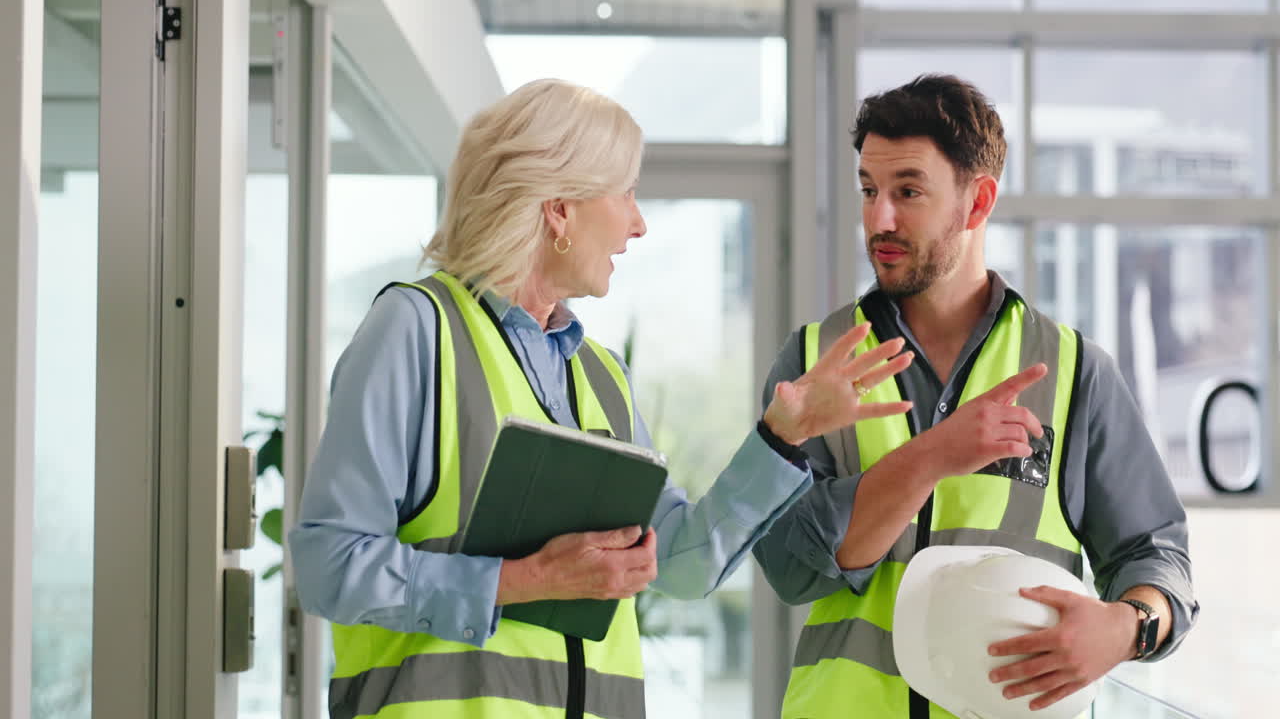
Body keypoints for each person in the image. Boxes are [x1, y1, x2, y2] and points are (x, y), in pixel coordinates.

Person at [288, 78, 915, 719]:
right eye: (627, 193)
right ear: (559, 208)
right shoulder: (416, 331)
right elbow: (326, 564)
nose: (639, 224)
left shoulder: (603, 378)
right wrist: (524, 581)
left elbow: (678, 564)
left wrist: (782, 436)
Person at [752, 74, 1198, 718]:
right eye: (869, 191)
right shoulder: (813, 361)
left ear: (978, 201)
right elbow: (790, 566)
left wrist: (1129, 626)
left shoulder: (1075, 373)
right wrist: (933, 455)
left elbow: (1155, 554)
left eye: (908, 191)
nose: (879, 218)